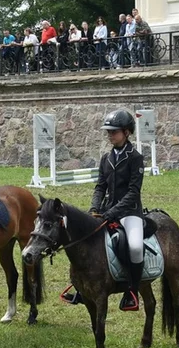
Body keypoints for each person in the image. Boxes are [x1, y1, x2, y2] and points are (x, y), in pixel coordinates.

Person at [61, 110, 146, 312]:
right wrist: (94, 209)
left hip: (130, 213)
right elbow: (100, 187)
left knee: (134, 247)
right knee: (86, 242)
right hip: (106, 211)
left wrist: (113, 212)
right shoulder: (106, 158)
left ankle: (132, 291)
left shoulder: (135, 158)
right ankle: (81, 288)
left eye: (114, 132)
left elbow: (133, 192)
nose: (110, 135)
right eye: (108, 132)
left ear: (126, 132)